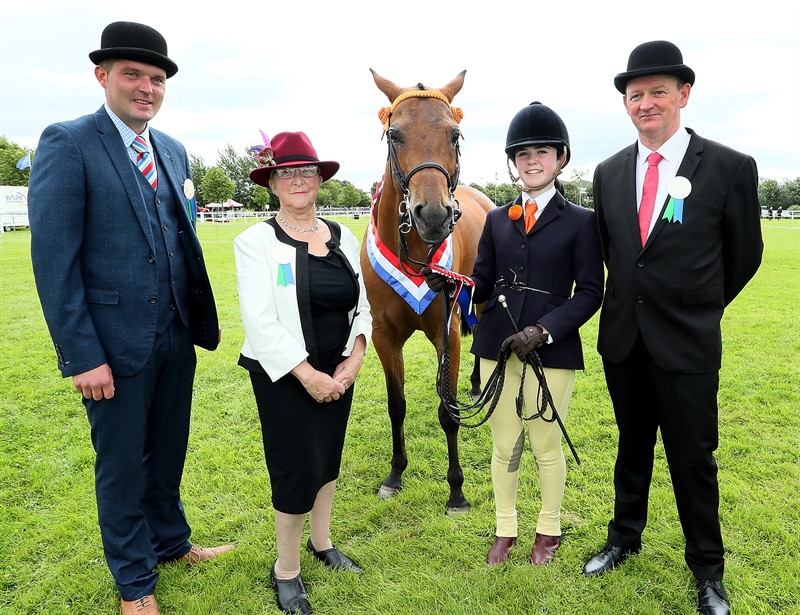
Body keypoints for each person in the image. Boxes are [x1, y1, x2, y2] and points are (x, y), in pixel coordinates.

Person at [27, 21, 233, 615]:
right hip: (111, 345)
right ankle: (135, 582)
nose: (147, 88)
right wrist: (82, 355)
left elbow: (179, 237)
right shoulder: (68, 142)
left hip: (174, 334)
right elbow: (54, 263)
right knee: (120, 466)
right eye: (133, 75)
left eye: (157, 78)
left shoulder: (172, 150)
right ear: (103, 76)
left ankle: (170, 543)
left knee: (167, 451)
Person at [582, 41, 763, 615]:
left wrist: (698, 306)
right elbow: (615, 255)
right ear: (625, 105)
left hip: (687, 343)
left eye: (658, 92)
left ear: (683, 94)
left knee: (693, 460)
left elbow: (745, 256)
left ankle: (708, 570)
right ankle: (623, 538)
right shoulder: (609, 172)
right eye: (635, 95)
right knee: (631, 449)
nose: (646, 104)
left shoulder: (730, 167)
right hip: (624, 341)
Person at [426, 102, 604, 566]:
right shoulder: (496, 219)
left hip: (552, 348)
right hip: (497, 345)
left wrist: (544, 330)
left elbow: (590, 293)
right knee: (505, 442)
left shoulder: (582, 221)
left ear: (560, 158)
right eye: (523, 153)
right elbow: (483, 283)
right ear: (514, 161)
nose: (531, 161)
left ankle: (549, 528)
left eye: (541, 152)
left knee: (544, 444)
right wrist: (457, 284)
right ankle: (505, 528)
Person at [235, 131, 372, 614]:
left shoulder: (344, 236)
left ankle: (322, 541)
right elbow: (260, 321)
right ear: (272, 183)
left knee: (327, 459)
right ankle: (286, 569)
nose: (297, 180)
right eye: (287, 173)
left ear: (319, 179)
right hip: (284, 376)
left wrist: (355, 357)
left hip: (339, 371)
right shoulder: (255, 242)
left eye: (306, 171)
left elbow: (362, 305)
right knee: (296, 468)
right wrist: (309, 375)